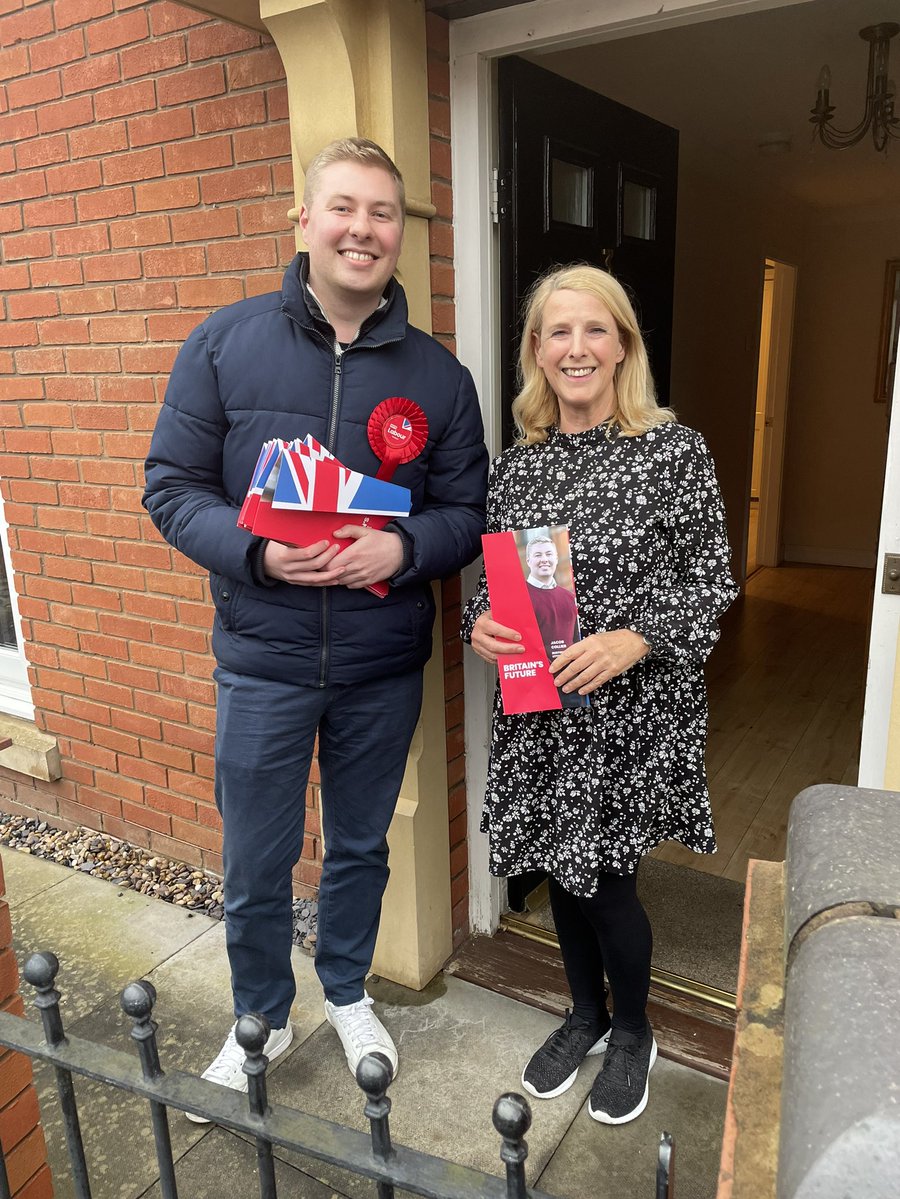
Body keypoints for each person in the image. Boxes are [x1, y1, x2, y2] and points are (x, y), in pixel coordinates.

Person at [143, 137, 488, 1113]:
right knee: (254, 861)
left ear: (399, 234)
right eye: (343, 207)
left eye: (382, 213)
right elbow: (170, 487)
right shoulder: (223, 343)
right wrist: (257, 553)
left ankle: (342, 989)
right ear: (305, 220)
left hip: (381, 665)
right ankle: (263, 1010)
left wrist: (405, 549)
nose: (362, 229)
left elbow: (465, 512)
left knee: (362, 847)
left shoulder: (438, 379)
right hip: (263, 659)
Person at [462, 263, 737, 1125]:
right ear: (537, 353)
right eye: (557, 332)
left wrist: (634, 639)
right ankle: (582, 1015)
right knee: (557, 869)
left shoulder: (672, 450)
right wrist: (480, 621)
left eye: (594, 331)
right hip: (542, 712)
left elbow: (711, 581)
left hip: (631, 719)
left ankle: (634, 1031)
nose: (576, 349)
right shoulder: (517, 469)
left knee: (609, 883)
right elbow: (496, 584)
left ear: (622, 345)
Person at [522, 533, 584, 710]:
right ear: (528, 561)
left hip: (571, 688)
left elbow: (575, 641)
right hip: (533, 688)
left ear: (556, 559)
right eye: (538, 555)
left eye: (549, 554)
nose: (544, 560)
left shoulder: (569, 598)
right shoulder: (519, 598)